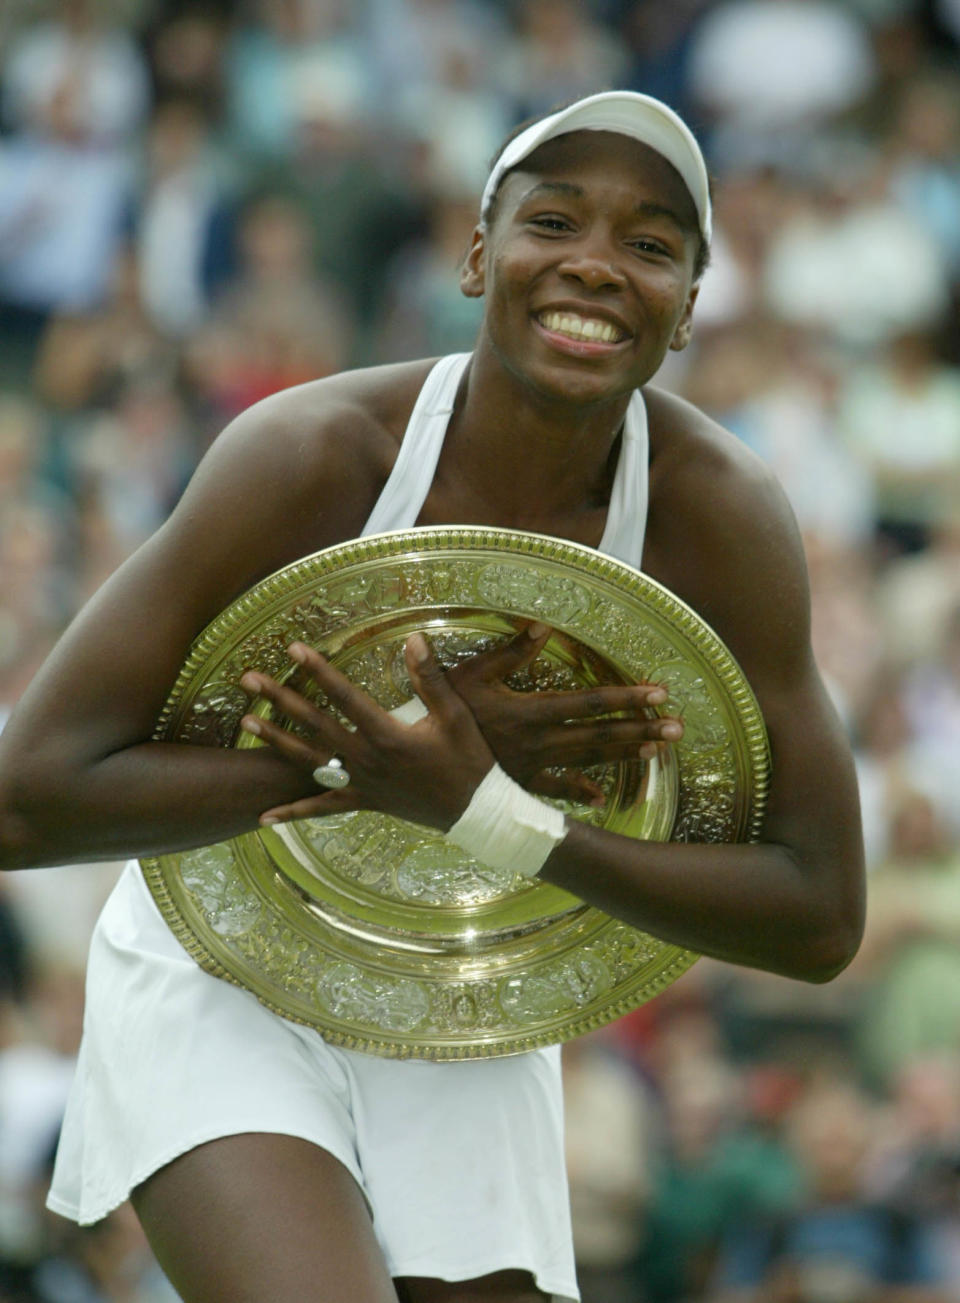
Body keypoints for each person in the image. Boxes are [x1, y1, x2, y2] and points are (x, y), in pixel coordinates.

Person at [0, 91, 865, 1303]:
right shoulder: (309, 453)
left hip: (474, 1005)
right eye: (554, 220)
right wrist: (380, 769)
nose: (598, 265)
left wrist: (494, 814)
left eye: (652, 244)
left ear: (688, 306)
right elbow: (24, 801)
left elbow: (820, 915)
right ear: (476, 253)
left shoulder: (723, 514)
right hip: (222, 973)